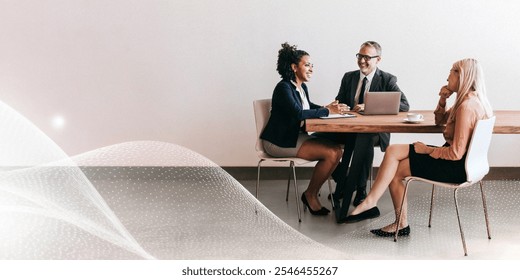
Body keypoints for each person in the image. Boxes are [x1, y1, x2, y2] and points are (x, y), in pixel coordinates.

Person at [344, 58, 493, 237]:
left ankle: (399, 222)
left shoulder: (466, 107)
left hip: (456, 166)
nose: (447, 76)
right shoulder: (471, 101)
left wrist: (427, 150)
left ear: (463, 76)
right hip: (467, 163)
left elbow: (455, 153)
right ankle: (371, 201)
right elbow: (440, 120)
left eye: (452, 71)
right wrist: (443, 98)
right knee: (393, 150)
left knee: (397, 171)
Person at [316, 41, 409, 222]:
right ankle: (343, 183)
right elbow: (340, 100)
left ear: (378, 59)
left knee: (363, 141)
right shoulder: (349, 77)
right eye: (360, 56)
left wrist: (369, 106)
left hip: (374, 132)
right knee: (318, 138)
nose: (362, 61)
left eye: (367, 57)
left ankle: (360, 191)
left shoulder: (387, 79)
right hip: (348, 128)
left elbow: (404, 105)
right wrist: (339, 105)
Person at [260, 42, 348, 216]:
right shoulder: (283, 87)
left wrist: (328, 107)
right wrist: (327, 111)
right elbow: (299, 113)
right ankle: (310, 195)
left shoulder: (301, 87)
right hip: (278, 142)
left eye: (311, 65)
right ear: (294, 67)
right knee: (331, 153)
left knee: (337, 149)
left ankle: (342, 187)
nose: (311, 69)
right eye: (307, 65)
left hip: (293, 137)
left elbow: (307, 106)